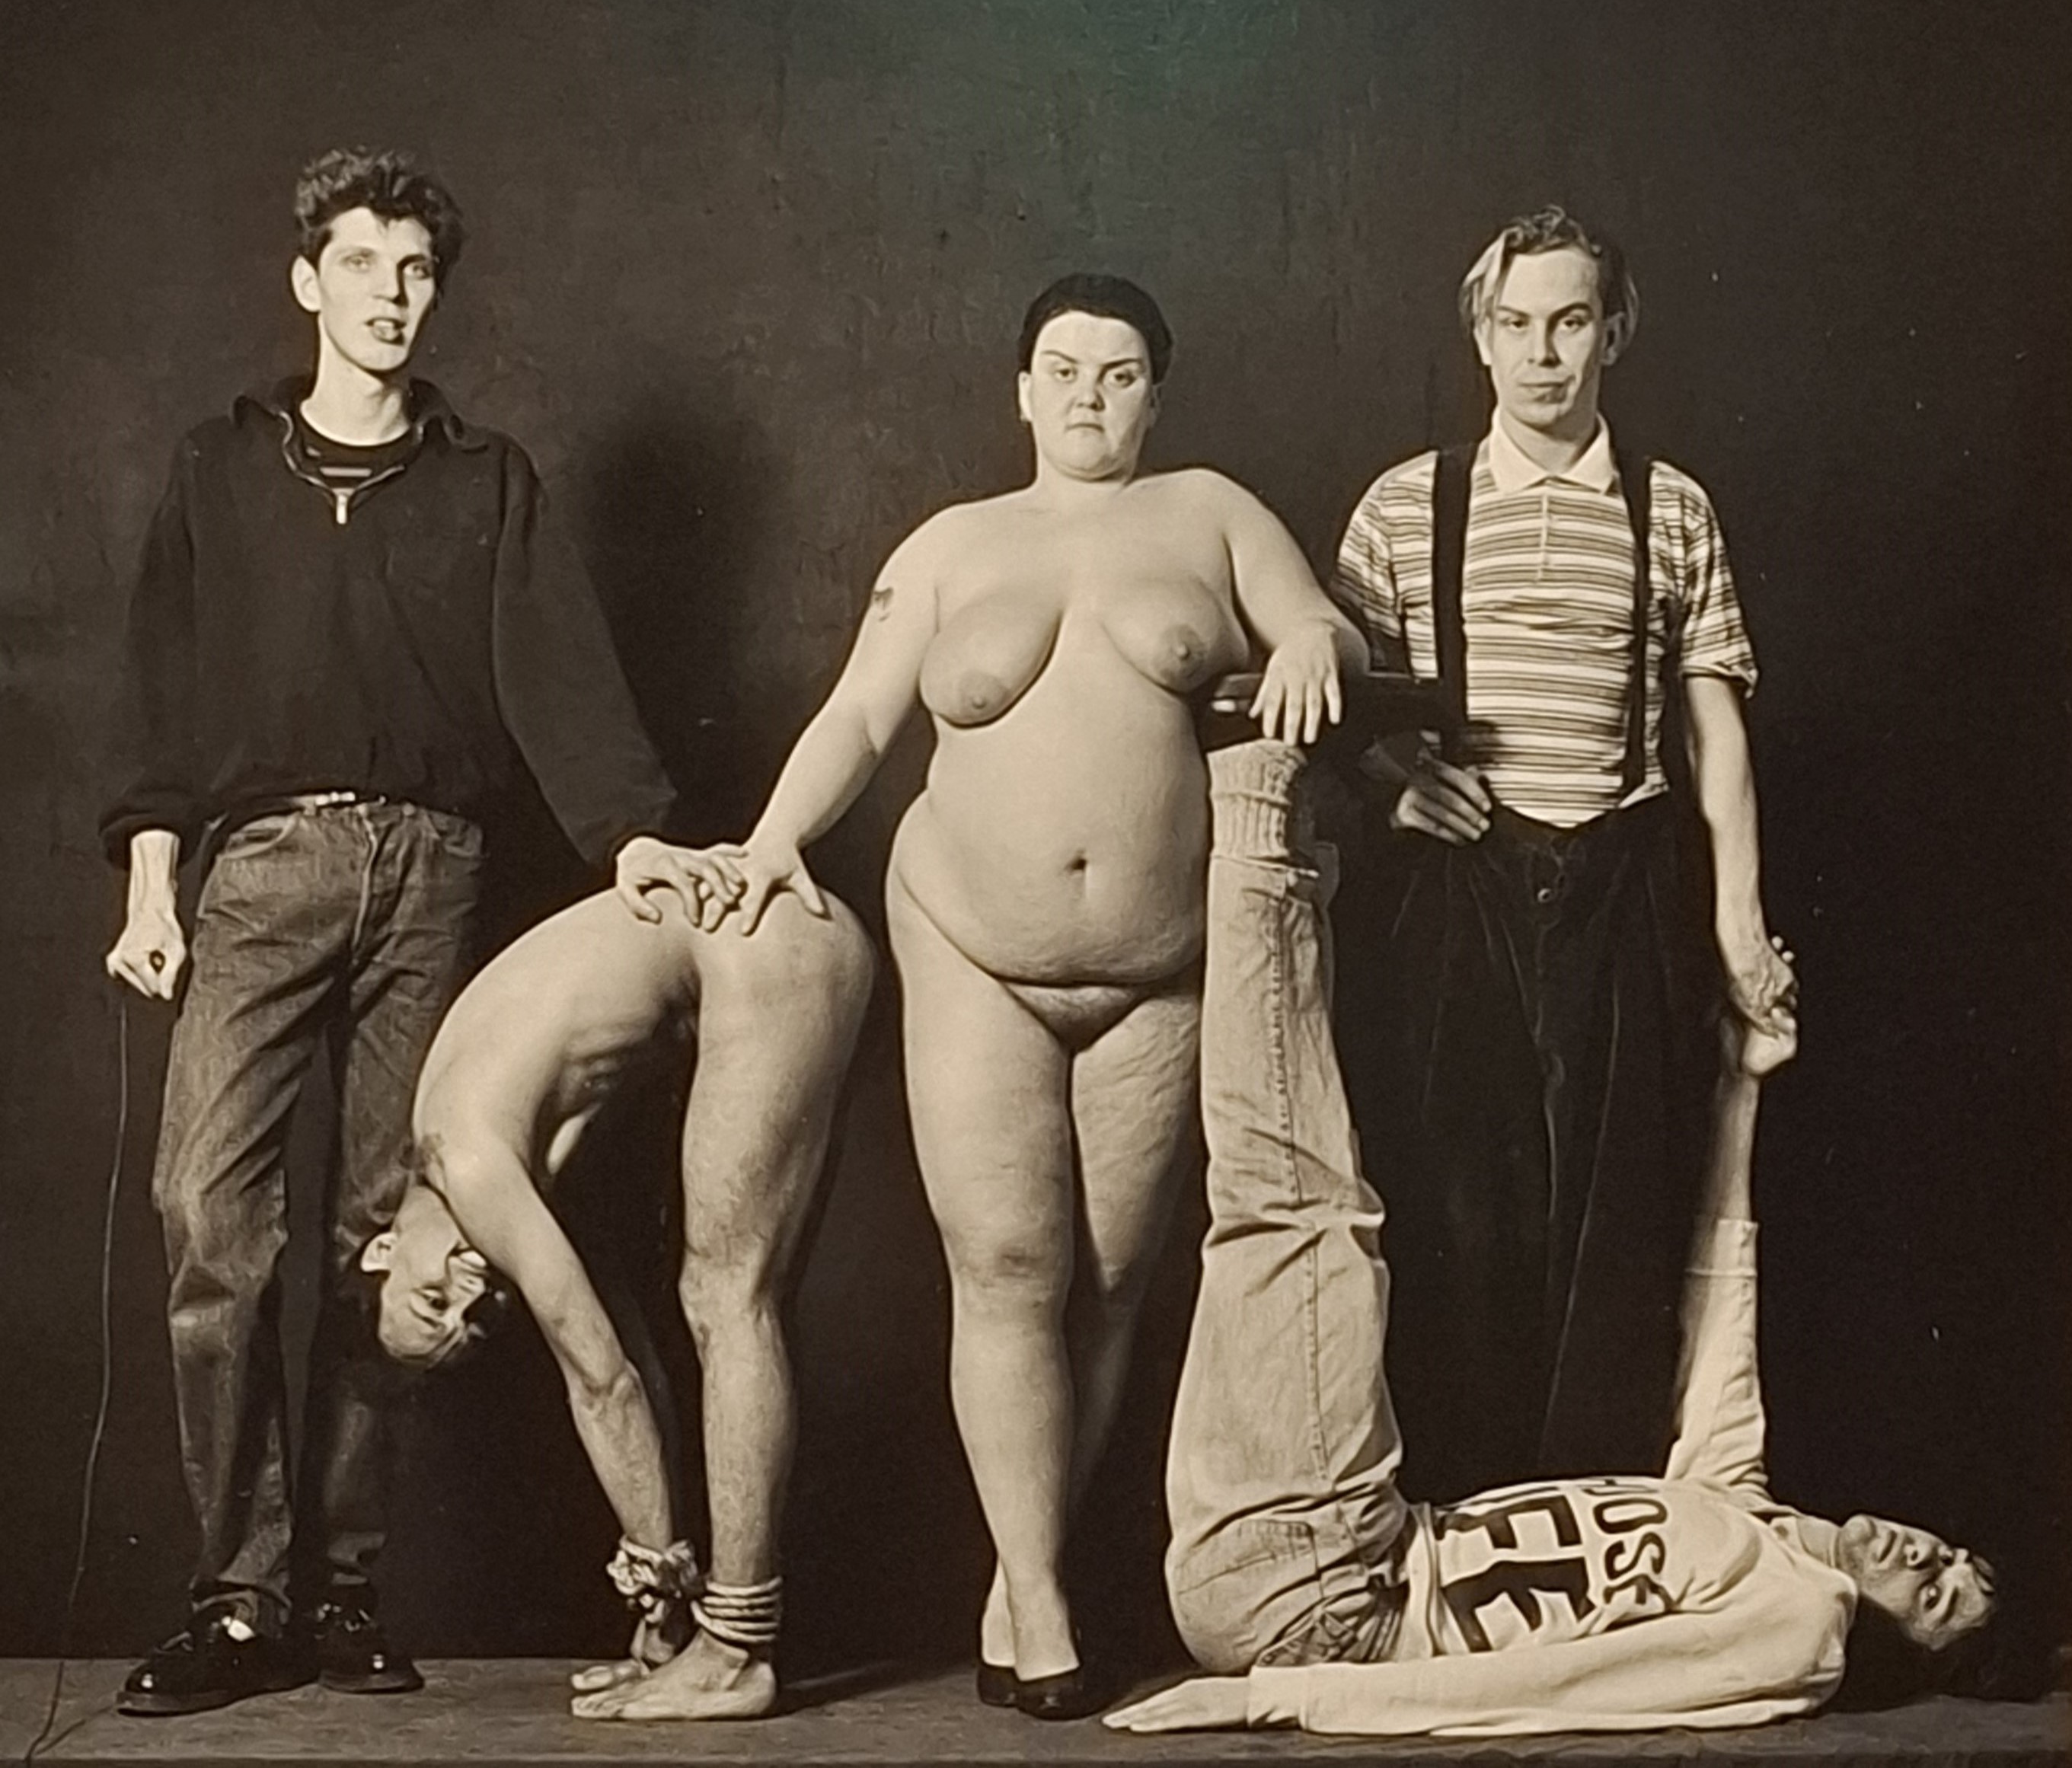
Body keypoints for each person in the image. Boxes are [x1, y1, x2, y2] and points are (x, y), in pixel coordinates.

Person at [576, 273, 1367, 1722]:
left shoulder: (1210, 512)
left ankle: (1019, 1572)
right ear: (1020, 390)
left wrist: (1315, 638)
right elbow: (861, 711)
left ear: (1155, 392)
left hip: (1162, 966)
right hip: (972, 946)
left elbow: (1322, 628)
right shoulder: (951, 545)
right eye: (1062, 369)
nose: (1088, 395)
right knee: (1007, 1264)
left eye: (1118, 373)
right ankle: (1046, 1612)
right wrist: (773, 840)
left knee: (1108, 1285)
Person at [100, 148, 701, 1716]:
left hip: (436, 873)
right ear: (308, 279)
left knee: (387, 1236)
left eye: (416, 269)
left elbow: (556, 671)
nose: (390, 293)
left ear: (438, 293)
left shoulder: (485, 478)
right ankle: (239, 1598)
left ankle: (345, 1587)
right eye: (361, 262)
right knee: (208, 1215)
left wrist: (632, 832)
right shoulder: (217, 468)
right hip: (261, 866)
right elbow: (164, 692)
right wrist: (153, 880)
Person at [1103, 737, 1993, 1740]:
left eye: (1937, 1599)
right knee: (1293, 1208)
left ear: (1892, 1653)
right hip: (1320, 1555)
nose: (1928, 1558)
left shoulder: (1803, 1627)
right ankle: (1271, 822)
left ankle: (1262, 809)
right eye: (1956, 1555)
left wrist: (1286, 1697)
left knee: (1302, 1212)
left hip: (1337, 1606)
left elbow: (1555, 1688)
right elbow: (1721, 1302)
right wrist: (1742, 1083)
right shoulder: (1750, 1520)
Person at [1330, 206, 1796, 1495]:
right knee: (1456, 1208)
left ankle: (1595, 1519)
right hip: (1457, 897)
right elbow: (1337, 707)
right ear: (1480, 337)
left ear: (1615, 331)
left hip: (1621, 885)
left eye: (1571, 321)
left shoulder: (1671, 506)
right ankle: (1462, 1519)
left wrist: (1739, 928)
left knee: (1619, 1219)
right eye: (1517, 324)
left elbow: (1713, 731)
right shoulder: (1405, 504)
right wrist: (1395, 787)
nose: (1543, 355)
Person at [360, 876, 873, 1719]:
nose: (467, 1296)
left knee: (726, 1296)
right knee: (724, 1299)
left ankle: (736, 1652)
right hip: (779, 939)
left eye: (428, 1299)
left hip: (763, 941)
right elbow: (629, 1356)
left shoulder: (470, 1163)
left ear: (382, 1247)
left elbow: (602, 1384)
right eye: (469, 1324)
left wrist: (655, 1581)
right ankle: (703, 1645)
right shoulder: (515, 1159)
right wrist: (660, 1621)